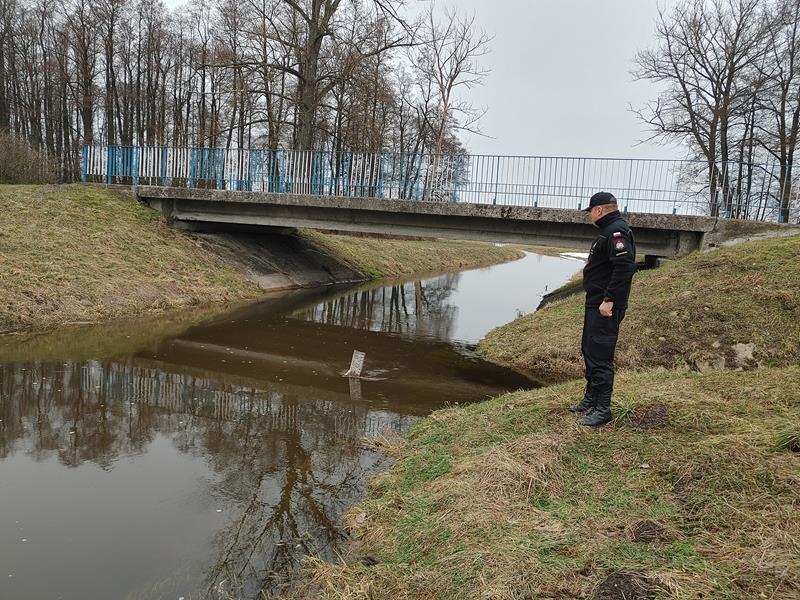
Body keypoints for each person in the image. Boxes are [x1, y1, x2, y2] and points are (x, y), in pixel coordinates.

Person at [569, 191, 637, 426]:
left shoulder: (616, 231)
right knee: (589, 349)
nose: (590, 216)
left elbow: (624, 267)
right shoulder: (608, 231)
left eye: (590, 212)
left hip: (605, 307)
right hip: (596, 304)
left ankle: (602, 409)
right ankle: (591, 398)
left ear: (598, 210)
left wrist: (609, 300)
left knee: (600, 356)